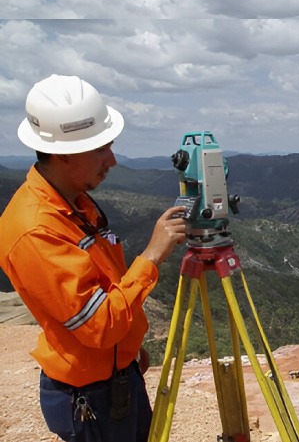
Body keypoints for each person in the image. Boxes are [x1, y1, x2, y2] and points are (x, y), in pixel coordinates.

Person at [0, 74, 187, 441]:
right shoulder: (35, 229)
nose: (113, 160)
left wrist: (126, 353)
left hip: (115, 377)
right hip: (91, 399)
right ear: (63, 154)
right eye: (101, 149)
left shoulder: (72, 202)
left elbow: (102, 286)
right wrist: (150, 256)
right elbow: (99, 325)